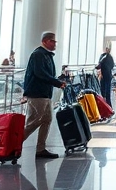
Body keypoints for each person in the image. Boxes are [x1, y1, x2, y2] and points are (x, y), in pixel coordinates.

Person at [22, 31, 67, 159]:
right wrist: (57, 83)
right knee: (35, 120)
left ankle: (40, 148)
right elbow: (40, 73)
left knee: (47, 119)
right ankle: (15, 143)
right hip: (37, 93)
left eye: (54, 41)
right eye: (52, 41)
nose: (55, 44)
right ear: (45, 41)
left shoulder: (46, 55)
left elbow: (46, 74)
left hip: (44, 93)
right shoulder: (39, 55)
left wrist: (57, 81)